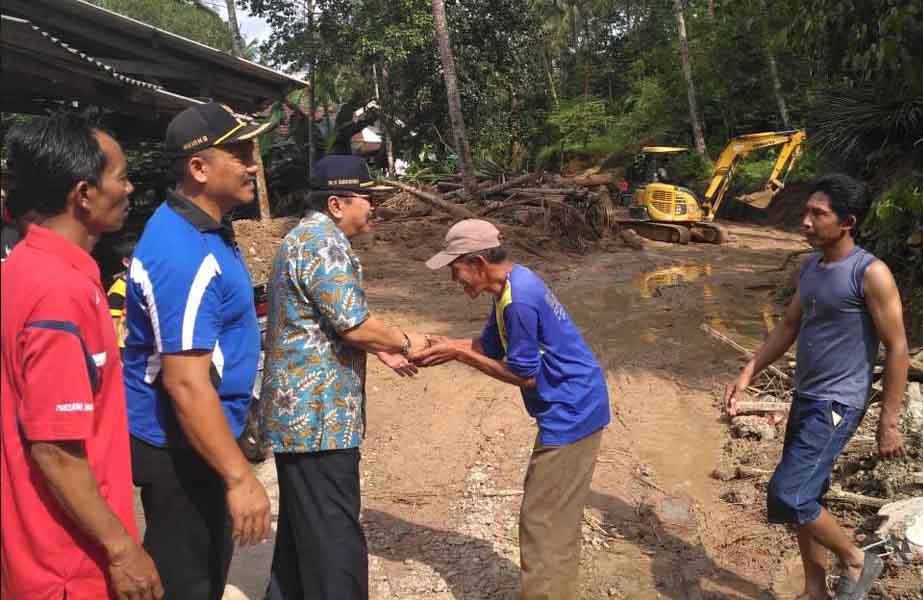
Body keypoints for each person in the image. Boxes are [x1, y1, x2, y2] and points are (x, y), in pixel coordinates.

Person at [1, 114, 163, 599]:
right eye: (121, 176)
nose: (129, 188)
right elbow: (54, 449)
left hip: (31, 553)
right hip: (69, 567)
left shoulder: (22, 268)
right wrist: (123, 549)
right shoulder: (60, 293)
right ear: (84, 194)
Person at [725, 174, 909, 600]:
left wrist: (889, 421)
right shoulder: (810, 266)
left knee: (790, 493)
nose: (805, 221)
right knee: (810, 495)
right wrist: (750, 369)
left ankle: (856, 559)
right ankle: (814, 590)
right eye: (806, 211)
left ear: (847, 222)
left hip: (838, 404)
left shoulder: (870, 273)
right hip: (806, 396)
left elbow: (898, 348)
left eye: (817, 214)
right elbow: (790, 324)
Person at [257, 154, 426, 600]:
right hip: (319, 421)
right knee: (334, 541)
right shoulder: (323, 244)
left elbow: (323, 322)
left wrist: (380, 350)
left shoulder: (303, 238)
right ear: (336, 204)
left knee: (302, 534)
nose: (373, 207)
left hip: (303, 420)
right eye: (366, 198)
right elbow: (354, 324)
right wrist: (405, 341)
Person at [414, 219, 611, 600]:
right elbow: (490, 346)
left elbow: (525, 376)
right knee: (556, 516)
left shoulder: (518, 302)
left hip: (572, 411)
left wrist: (457, 354)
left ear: (478, 263)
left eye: (455, 269)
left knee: (542, 520)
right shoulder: (511, 285)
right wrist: (446, 343)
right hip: (576, 403)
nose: (454, 279)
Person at [122, 102, 273, 600]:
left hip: (201, 437)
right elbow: (185, 382)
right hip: (181, 449)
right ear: (198, 168)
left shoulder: (206, 231)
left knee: (204, 575)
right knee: (187, 582)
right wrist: (239, 478)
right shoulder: (181, 251)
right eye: (238, 154)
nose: (252, 165)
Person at [106, 234, 137, 354]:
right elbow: (112, 323)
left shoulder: (142, 284)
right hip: (124, 347)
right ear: (126, 262)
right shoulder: (118, 289)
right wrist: (114, 354)